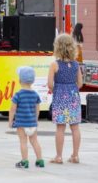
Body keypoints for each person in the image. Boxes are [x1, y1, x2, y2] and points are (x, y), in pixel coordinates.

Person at [47, 33, 83, 164]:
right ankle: (75, 155)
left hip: (60, 96)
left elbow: (50, 83)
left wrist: (55, 89)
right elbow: (80, 83)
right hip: (73, 95)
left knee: (60, 128)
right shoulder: (75, 64)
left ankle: (59, 156)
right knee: (75, 127)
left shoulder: (55, 65)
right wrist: (71, 89)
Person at [8, 66, 44, 169]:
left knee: (23, 142)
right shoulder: (35, 94)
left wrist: (11, 121)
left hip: (21, 123)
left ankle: (24, 161)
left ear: (20, 80)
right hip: (32, 123)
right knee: (35, 141)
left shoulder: (18, 95)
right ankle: (40, 160)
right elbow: (37, 109)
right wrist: (35, 120)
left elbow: (12, 109)